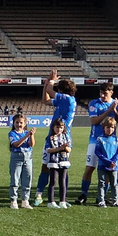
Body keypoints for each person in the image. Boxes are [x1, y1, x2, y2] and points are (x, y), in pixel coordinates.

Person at [34, 71, 76, 206]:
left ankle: (58, 197)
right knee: (53, 166)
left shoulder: (67, 99)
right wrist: (47, 83)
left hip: (60, 138)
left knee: (57, 167)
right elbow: (45, 100)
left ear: (63, 91)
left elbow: (50, 91)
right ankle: (41, 194)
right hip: (58, 138)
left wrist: (50, 81)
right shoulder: (65, 101)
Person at [77, 84, 117, 205]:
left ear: (111, 92)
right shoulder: (94, 103)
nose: (103, 95)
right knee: (89, 168)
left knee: (109, 169)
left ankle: (102, 196)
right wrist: (108, 111)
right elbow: (94, 121)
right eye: (101, 93)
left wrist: (114, 110)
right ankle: (84, 194)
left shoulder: (117, 104)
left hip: (110, 143)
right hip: (95, 141)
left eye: (105, 93)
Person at [41, 117, 71, 209]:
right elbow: (48, 150)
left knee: (62, 181)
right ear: (53, 128)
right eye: (57, 127)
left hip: (63, 161)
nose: (59, 129)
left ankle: (62, 201)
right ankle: (51, 201)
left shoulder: (66, 137)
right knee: (53, 181)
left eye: (61, 128)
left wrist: (65, 147)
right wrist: (59, 148)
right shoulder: (50, 138)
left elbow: (69, 149)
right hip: (54, 161)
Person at [92, 117, 118, 207]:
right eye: (107, 127)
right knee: (102, 183)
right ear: (104, 128)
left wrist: (113, 162)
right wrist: (107, 162)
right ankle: (101, 200)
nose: (110, 129)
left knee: (114, 184)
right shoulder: (100, 139)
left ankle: (115, 201)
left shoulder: (116, 139)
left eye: (112, 127)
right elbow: (97, 152)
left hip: (114, 166)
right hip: (102, 165)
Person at [6, 113, 33, 209]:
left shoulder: (27, 133)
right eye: (17, 122)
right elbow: (16, 144)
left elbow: (31, 144)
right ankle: (13, 200)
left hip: (28, 158)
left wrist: (31, 135)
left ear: (25, 123)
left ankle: (25, 200)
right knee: (15, 179)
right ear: (13, 123)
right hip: (16, 157)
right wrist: (27, 136)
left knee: (27, 179)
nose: (19, 124)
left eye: (21, 122)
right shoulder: (12, 133)